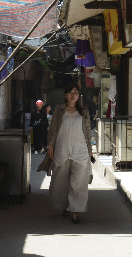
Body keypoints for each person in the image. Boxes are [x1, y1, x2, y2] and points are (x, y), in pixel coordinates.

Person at [39, 83, 93, 224]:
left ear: (78, 95)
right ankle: (68, 206)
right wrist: (50, 145)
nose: (73, 94)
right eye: (70, 92)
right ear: (65, 95)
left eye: (75, 92)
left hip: (80, 151)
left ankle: (75, 211)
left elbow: (87, 130)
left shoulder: (84, 111)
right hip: (62, 149)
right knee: (61, 182)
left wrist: (90, 149)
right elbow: (53, 128)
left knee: (78, 183)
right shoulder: (59, 110)